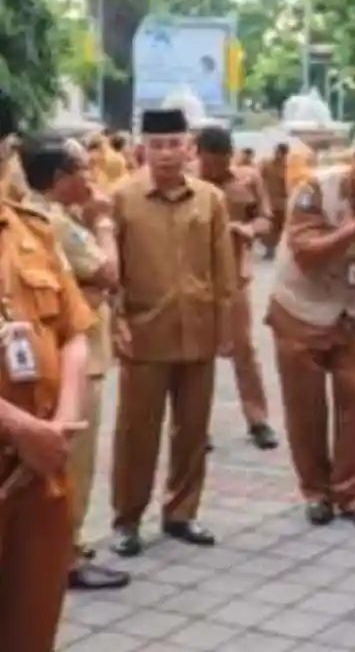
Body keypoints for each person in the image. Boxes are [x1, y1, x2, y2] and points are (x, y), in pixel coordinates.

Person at [109, 108, 237, 557]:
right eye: (158, 145)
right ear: (144, 148)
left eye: (175, 144)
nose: (166, 154)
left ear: (189, 148)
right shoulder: (122, 198)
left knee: (193, 430)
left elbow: (225, 270)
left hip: (198, 331)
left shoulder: (210, 200)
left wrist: (228, 328)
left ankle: (182, 511)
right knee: (136, 432)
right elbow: (112, 272)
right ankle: (127, 518)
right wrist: (116, 321)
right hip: (146, 333)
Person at [267, 123, 355, 532]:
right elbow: (306, 253)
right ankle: (316, 492)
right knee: (305, 407)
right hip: (302, 309)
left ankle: (354, 493)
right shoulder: (315, 189)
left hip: (354, 313)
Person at [0, 95, 96, 648]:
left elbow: (76, 332)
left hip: (41, 476)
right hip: (21, 446)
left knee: (32, 625)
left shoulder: (33, 230)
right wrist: (20, 427)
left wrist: (61, 421)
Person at [21, 135, 130, 591]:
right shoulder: (54, 222)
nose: (90, 176)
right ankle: (67, 554)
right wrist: (104, 223)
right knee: (75, 463)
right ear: (61, 178)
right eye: (82, 169)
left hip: (56, 357)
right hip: (77, 360)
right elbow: (108, 272)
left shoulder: (34, 214)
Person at [195, 126, 279, 449]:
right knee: (196, 356)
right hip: (195, 281)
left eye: (221, 160)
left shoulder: (248, 180)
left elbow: (266, 220)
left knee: (243, 349)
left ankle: (258, 419)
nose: (215, 167)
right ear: (198, 154)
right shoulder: (188, 184)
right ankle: (195, 425)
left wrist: (248, 228)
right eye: (209, 160)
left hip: (235, 279)